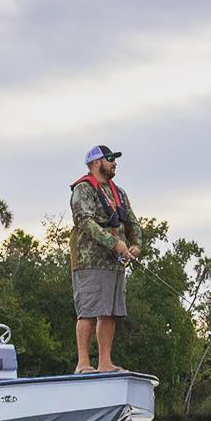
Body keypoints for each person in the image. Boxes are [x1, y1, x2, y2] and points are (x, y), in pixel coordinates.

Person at [69, 144, 141, 373]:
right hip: (89, 261)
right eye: (110, 159)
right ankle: (83, 363)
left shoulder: (118, 192)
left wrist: (136, 244)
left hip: (115, 264)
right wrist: (115, 243)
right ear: (96, 163)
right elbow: (85, 222)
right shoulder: (83, 189)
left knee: (110, 313)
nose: (114, 163)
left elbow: (132, 222)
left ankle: (105, 363)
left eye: (115, 159)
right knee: (88, 312)